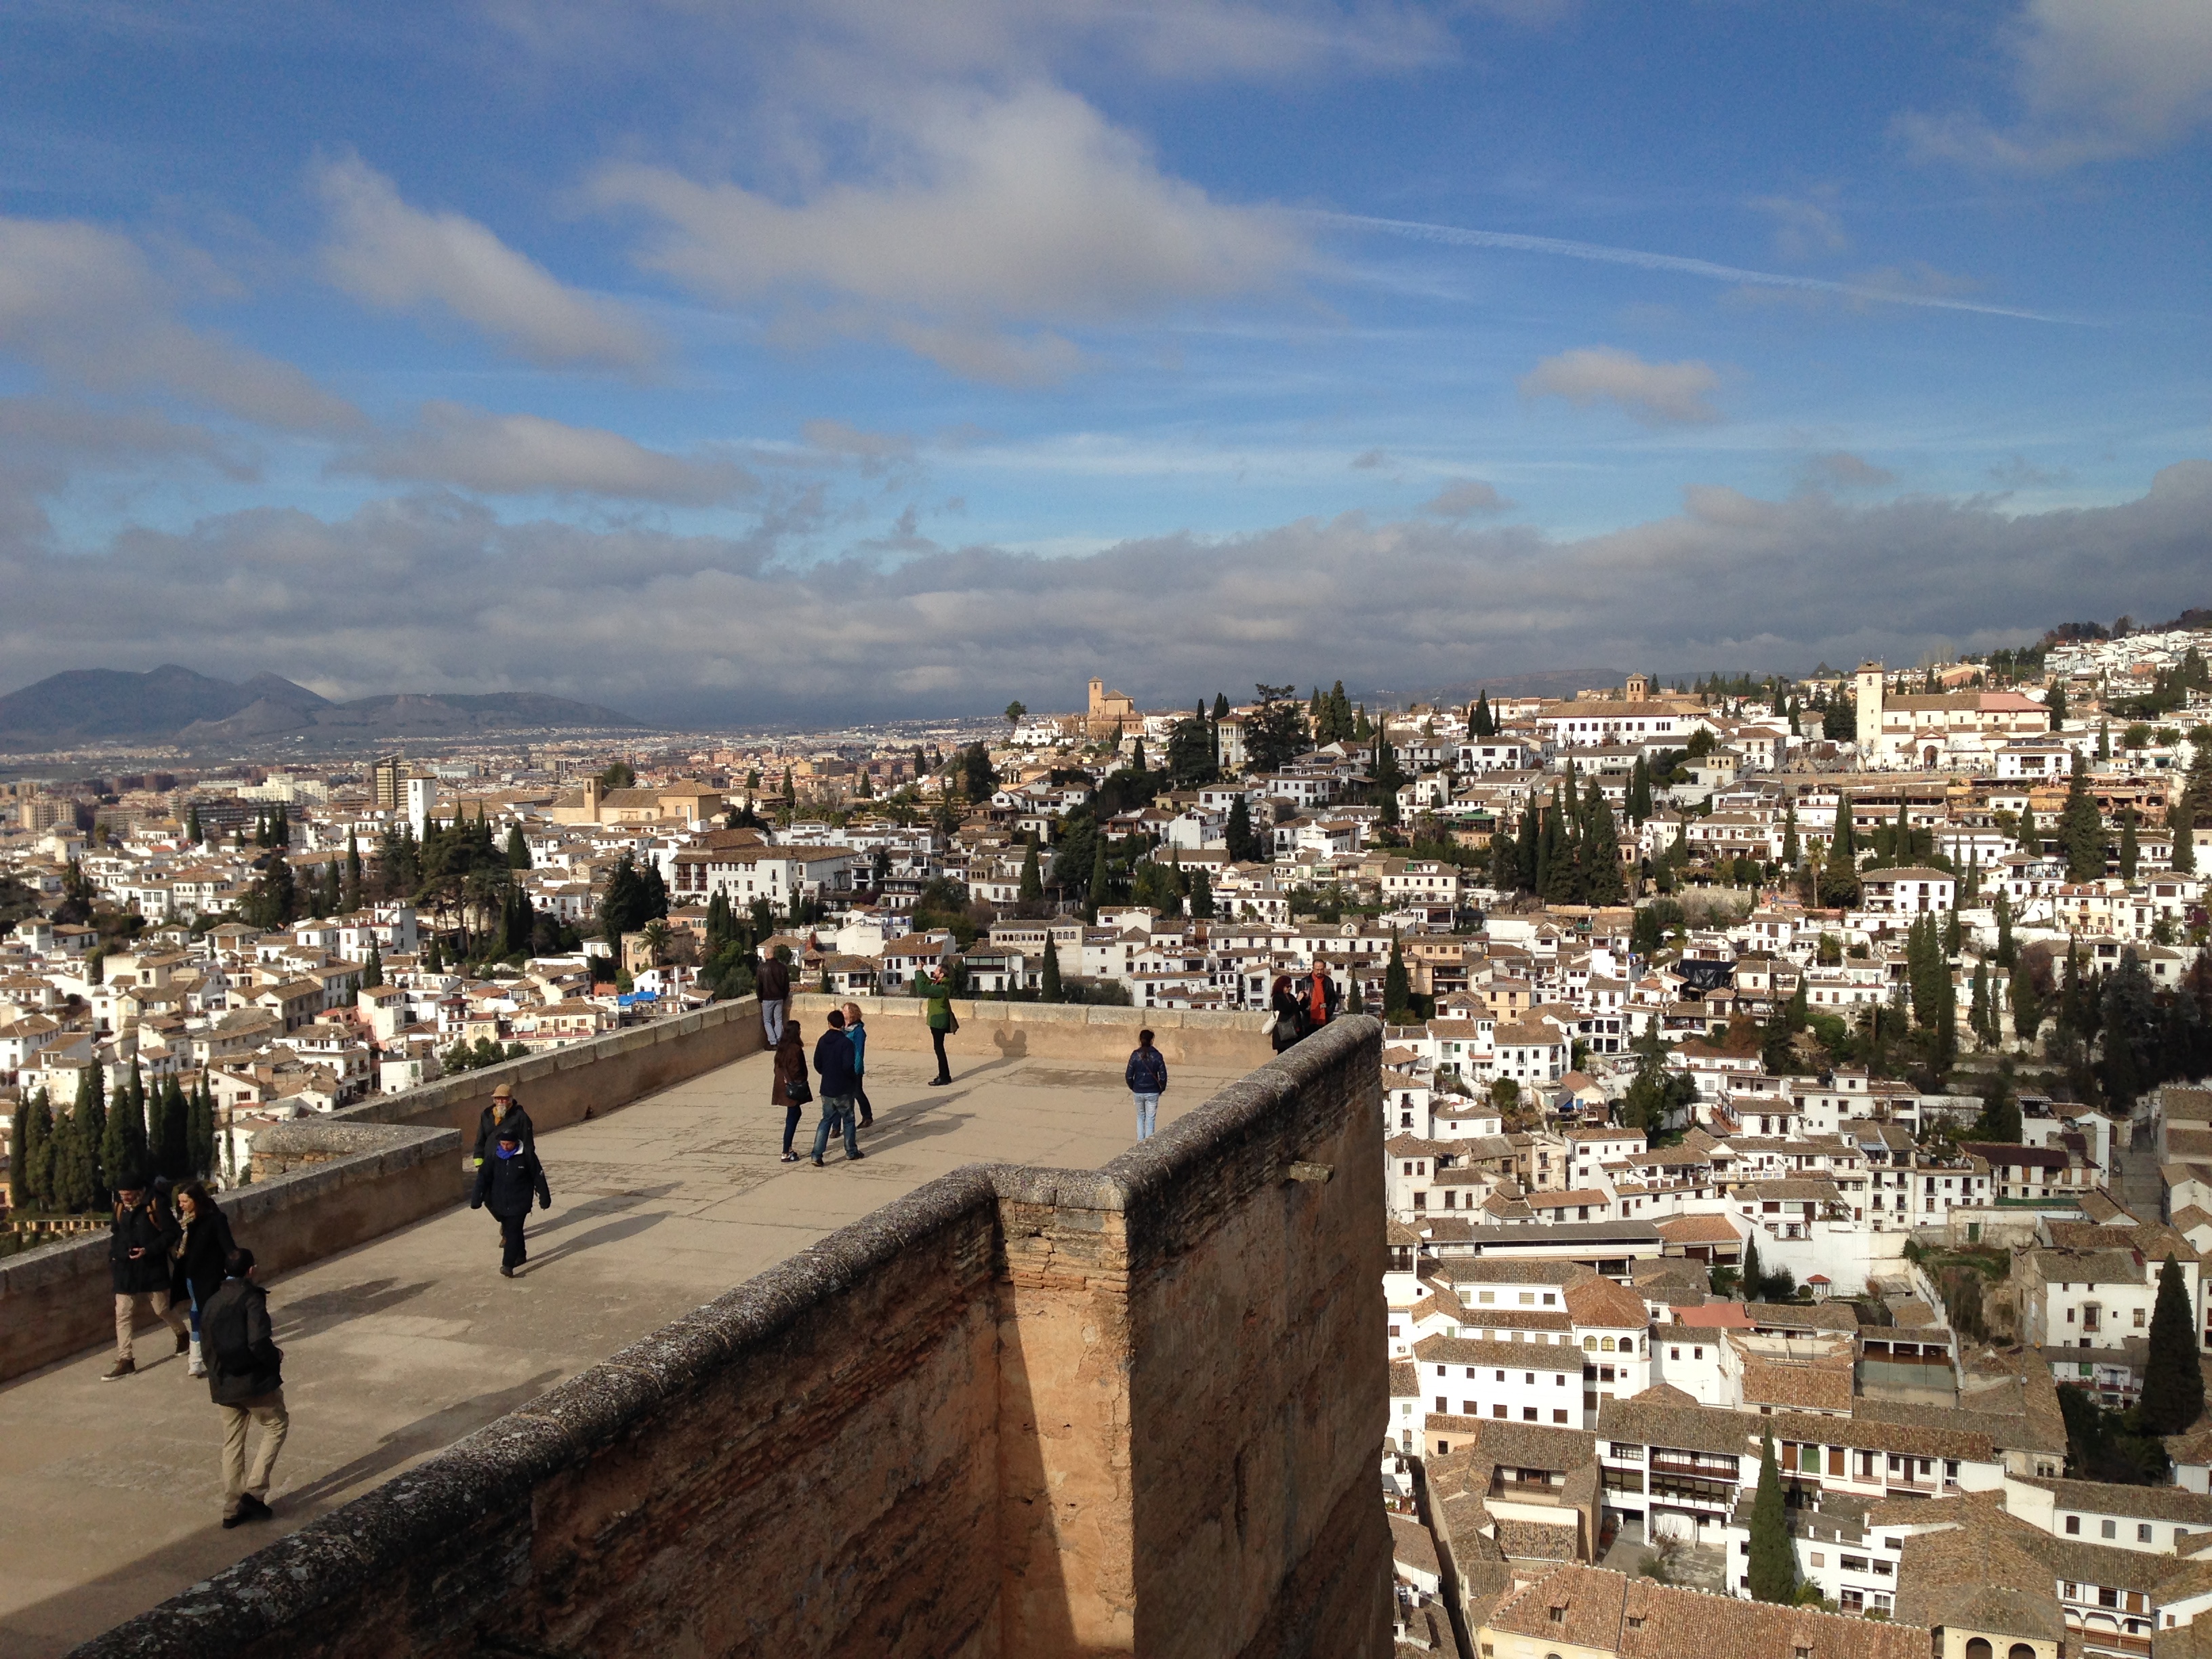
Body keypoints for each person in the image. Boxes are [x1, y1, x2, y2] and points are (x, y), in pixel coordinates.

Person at [202, 1247, 289, 1528]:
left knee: (232, 1442)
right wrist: (275, 1357)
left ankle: (231, 1507)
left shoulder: (212, 1302)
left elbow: (206, 1347)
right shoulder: (251, 1299)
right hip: (253, 1382)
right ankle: (255, 1491)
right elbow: (258, 1342)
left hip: (224, 1382)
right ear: (251, 1270)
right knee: (276, 1425)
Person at [104, 1173, 184, 1381]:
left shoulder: (155, 1205)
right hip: (126, 1268)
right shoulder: (119, 1207)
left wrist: (148, 1250)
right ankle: (126, 1359)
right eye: (122, 1195)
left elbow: (172, 1233)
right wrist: (117, 1254)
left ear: (138, 1192)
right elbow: (116, 1232)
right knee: (123, 1313)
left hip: (151, 1267)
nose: (125, 1198)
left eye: (128, 1195)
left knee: (161, 1309)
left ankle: (182, 1333)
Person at [170, 1180, 239, 1379]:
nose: (181, 1205)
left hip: (211, 1277)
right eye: (180, 1202)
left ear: (196, 1200)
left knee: (207, 1317)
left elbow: (228, 1247)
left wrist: (237, 1268)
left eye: (185, 1201)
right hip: (192, 1277)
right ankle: (196, 1360)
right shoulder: (184, 1223)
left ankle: (208, 1359)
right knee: (197, 1315)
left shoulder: (215, 1220)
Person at [470, 1124, 552, 1277]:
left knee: (512, 1231)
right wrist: (477, 1198)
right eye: (503, 1144)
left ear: (516, 1142)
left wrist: (544, 1198)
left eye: (509, 1144)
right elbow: (483, 1178)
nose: (506, 1147)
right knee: (511, 1230)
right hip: (499, 1201)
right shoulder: (494, 1156)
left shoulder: (526, 1155)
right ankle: (520, 1255)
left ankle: (507, 1264)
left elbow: (538, 1176)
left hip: (520, 1201)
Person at [811, 1008, 863, 1165]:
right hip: (843, 1089)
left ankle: (816, 1155)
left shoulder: (822, 1041)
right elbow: (849, 1066)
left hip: (827, 1088)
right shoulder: (846, 1043)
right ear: (842, 1024)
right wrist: (851, 1081)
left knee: (826, 1120)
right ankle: (851, 1151)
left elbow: (817, 1063)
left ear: (829, 1023)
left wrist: (827, 1074)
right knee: (848, 1120)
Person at [471, 1081, 535, 1169]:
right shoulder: (486, 1115)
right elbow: (480, 1139)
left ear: (510, 1100)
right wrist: (478, 1161)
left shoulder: (520, 1116)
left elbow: (527, 1142)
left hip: (511, 1162)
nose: (500, 1102)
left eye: (504, 1099)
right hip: (490, 1161)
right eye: (498, 1098)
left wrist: (527, 1164)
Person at [771, 1020, 809, 1164]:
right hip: (792, 1088)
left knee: (793, 1115)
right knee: (792, 1119)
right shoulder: (795, 1049)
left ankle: (788, 1149)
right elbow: (796, 1070)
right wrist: (801, 1081)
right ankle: (786, 1152)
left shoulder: (782, 1047)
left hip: (783, 1088)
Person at [1126, 1029, 1168, 1141]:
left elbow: (1129, 1075)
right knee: (1150, 1118)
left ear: (1140, 1040)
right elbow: (1163, 1076)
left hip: (1138, 1090)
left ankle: (1140, 1141)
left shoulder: (1135, 1055)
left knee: (1140, 1116)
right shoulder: (1157, 1055)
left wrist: (1134, 1087)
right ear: (1152, 1040)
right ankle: (1148, 1143)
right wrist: (1161, 1089)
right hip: (1153, 1091)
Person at [918, 967, 955, 1086]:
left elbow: (922, 988)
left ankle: (943, 1076)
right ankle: (946, 1075)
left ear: (942, 974)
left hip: (938, 1021)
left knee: (939, 1049)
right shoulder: (940, 984)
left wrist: (918, 972)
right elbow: (929, 982)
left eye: (937, 971)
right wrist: (921, 970)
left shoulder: (940, 989)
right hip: (939, 1020)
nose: (934, 972)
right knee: (939, 1048)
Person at [842, 1002, 874, 1129]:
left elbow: (860, 1051)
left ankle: (867, 1116)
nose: (843, 1012)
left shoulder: (859, 1031)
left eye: (845, 1010)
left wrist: (856, 1068)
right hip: (843, 1067)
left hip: (855, 1067)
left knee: (857, 1092)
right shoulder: (842, 1027)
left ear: (852, 1013)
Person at [757, 945, 792, 1046]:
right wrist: (784, 996)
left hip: (767, 998)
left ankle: (773, 1042)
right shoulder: (782, 967)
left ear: (767, 954)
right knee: (778, 1020)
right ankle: (779, 1039)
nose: (764, 955)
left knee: (767, 1021)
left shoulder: (761, 968)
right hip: (779, 998)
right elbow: (786, 985)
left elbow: (759, 985)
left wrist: (760, 998)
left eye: (764, 953)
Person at [1269, 974, 1305, 1053]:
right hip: (1283, 1030)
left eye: (1290, 986)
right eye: (1287, 986)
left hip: (1293, 1030)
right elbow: (1286, 1009)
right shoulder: (1277, 997)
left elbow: (1297, 1008)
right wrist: (1297, 1001)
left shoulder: (1290, 996)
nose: (1289, 988)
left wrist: (1303, 1000)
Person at [1303, 964, 1340, 1034]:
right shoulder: (1305, 982)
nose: (1319, 972)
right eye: (1317, 970)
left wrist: (1329, 1011)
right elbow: (1301, 1001)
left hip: (1324, 1017)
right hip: (1309, 1017)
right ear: (1313, 968)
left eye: (1321, 969)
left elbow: (1333, 998)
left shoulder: (1328, 982)